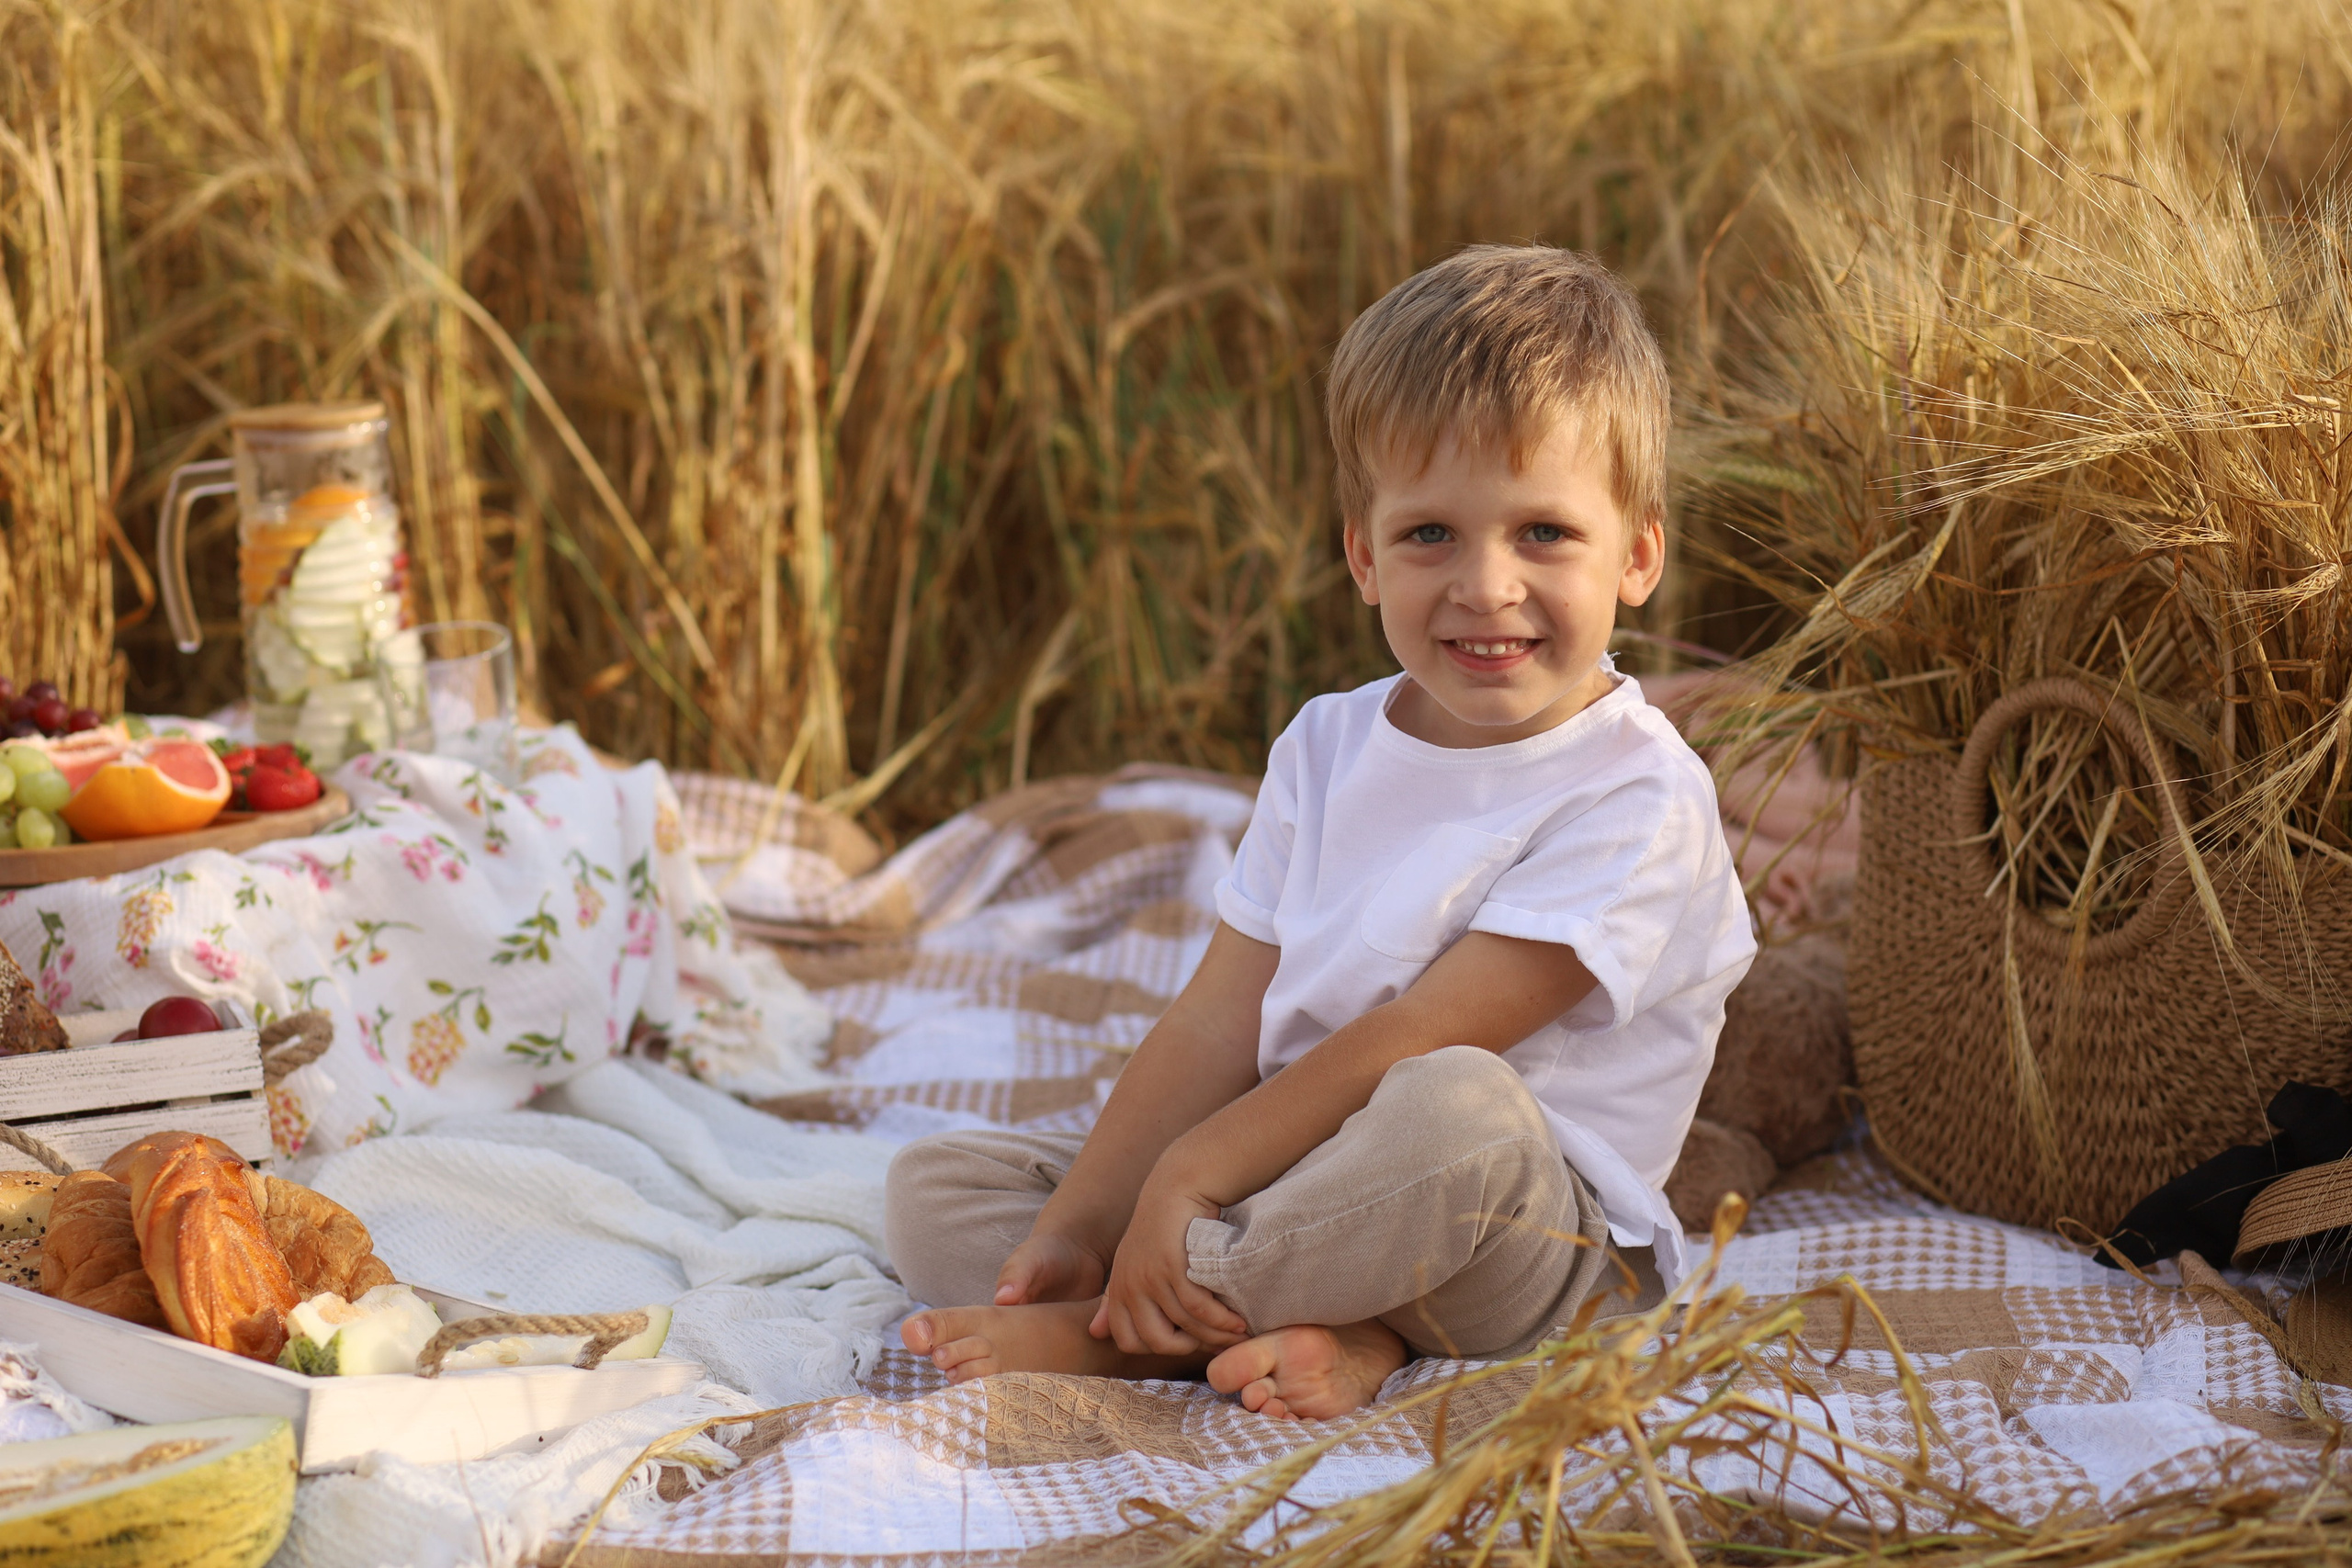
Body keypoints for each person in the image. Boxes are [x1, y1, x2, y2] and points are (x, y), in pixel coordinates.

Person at [884, 243, 1756, 1419]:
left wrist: (1187, 1179)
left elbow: (1421, 1036)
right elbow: (1217, 1015)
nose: (1486, 585)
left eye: (1543, 533)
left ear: (1637, 555)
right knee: (939, 1190)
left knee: (1460, 1105)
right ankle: (1317, 1327)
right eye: (1429, 535)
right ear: (1362, 554)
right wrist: (1085, 1224)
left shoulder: (1637, 796)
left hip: (1526, 1238)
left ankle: (1135, 1340)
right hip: (1306, 1183)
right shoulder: (1326, 746)